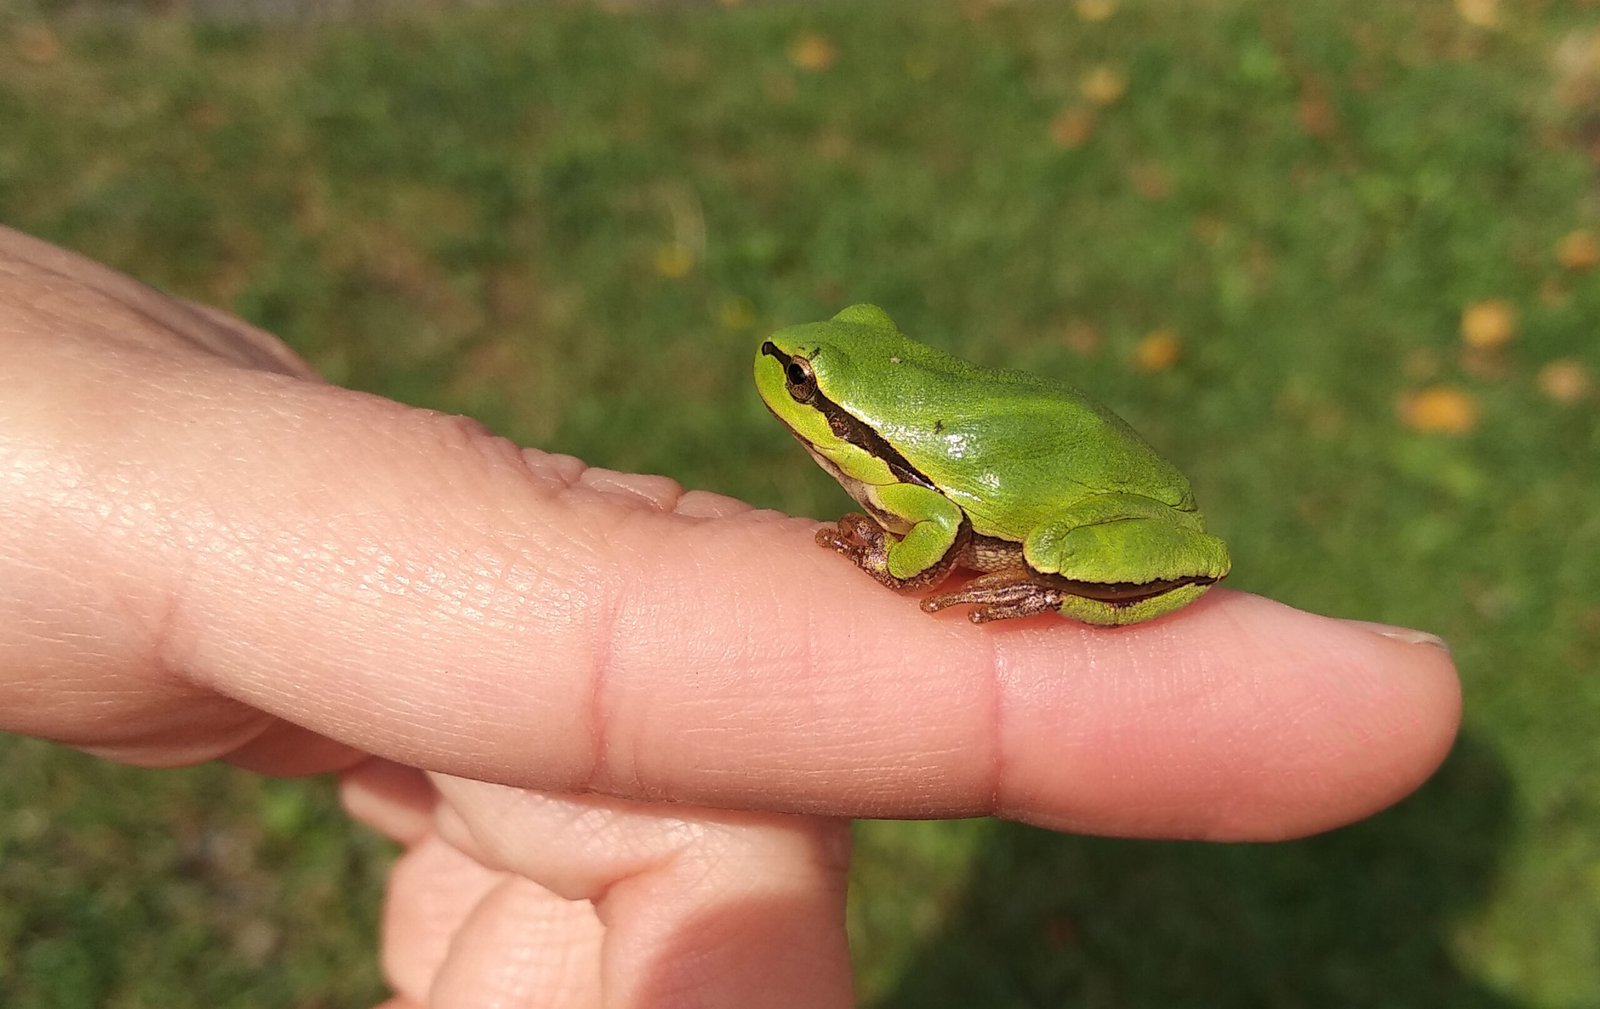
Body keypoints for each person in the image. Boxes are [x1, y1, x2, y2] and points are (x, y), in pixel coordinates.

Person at [0, 225, 1459, 1008]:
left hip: (1080, 526)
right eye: (813, 384)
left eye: (814, 393)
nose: (792, 389)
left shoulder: (907, 469)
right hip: (1063, 454)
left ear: (844, 417)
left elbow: (939, 519)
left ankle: (1062, 579)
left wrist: (904, 566)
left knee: (1007, 555)